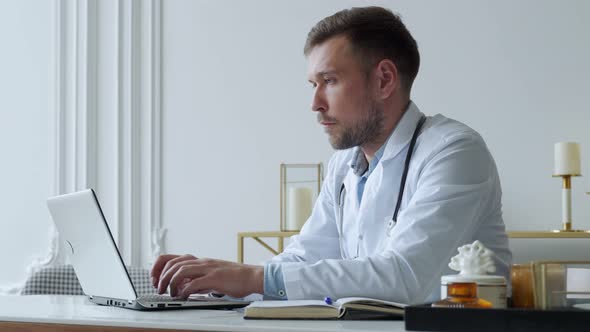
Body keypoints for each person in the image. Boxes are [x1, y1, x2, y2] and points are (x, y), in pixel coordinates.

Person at [151, 6, 512, 304]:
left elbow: (407, 276)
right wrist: (218, 283)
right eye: (313, 84)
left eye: (330, 81)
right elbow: (305, 257)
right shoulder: (345, 165)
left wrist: (252, 278)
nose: (315, 103)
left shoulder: (454, 152)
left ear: (384, 79)